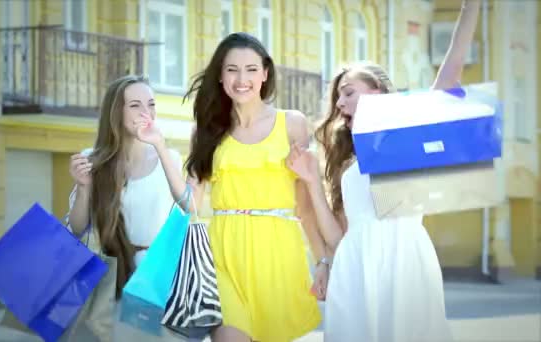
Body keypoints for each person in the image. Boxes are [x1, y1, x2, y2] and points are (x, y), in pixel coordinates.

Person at [286, 1, 481, 341]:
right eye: (337, 100)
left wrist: (470, 9)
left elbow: (450, 75)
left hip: (405, 260)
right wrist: (313, 181)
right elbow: (336, 238)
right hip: (355, 266)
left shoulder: (408, 136)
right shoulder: (345, 160)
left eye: (348, 94)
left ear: (376, 91)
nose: (340, 104)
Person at [133, 32, 326, 342]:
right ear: (220, 76)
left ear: (265, 74)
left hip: (278, 255)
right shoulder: (207, 131)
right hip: (221, 254)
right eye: (232, 69)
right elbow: (189, 201)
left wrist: (323, 262)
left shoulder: (293, 124)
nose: (241, 79)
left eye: (251, 69)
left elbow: (305, 207)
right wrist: (158, 143)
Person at [66, 75, 184, 341]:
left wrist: (161, 146)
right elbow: (76, 228)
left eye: (151, 104)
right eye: (135, 105)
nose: (146, 112)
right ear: (116, 112)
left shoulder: (170, 158)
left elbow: (190, 209)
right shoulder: (91, 159)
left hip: (156, 278)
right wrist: (84, 187)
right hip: (107, 277)